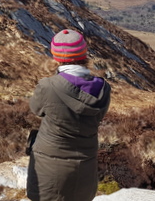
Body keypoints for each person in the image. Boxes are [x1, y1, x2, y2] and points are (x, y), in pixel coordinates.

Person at [26, 29, 111, 201]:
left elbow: (36, 109)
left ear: (55, 56)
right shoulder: (103, 88)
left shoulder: (47, 86)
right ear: (84, 54)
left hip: (48, 167)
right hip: (85, 165)